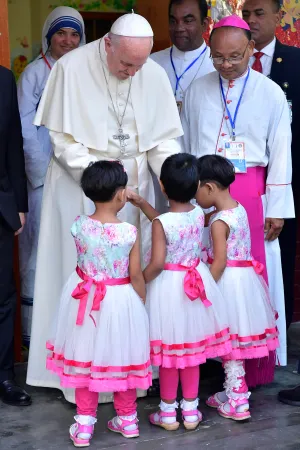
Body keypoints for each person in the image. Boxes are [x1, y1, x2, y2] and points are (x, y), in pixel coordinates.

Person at [26, 12, 182, 405]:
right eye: (126, 63)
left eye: (140, 64)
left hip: (136, 188)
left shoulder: (150, 74)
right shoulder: (71, 67)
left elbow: (161, 140)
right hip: (83, 188)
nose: (132, 72)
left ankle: (128, 376)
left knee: (130, 284)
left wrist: (173, 178)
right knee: (79, 283)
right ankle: (74, 377)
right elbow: (61, 140)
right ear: (107, 45)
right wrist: (103, 179)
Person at [181, 15, 293, 388]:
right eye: (217, 58)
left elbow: (280, 151)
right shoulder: (197, 89)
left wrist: (277, 207)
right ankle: (211, 356)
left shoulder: (270, 92)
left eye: (235, 57)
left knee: (247, 278)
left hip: (250, 193)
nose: (226, 65)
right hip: (201, 194)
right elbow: (186, 146)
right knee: (205, 271)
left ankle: (253, 365)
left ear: (250, 50)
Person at [47, 160, 150, 445]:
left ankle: (84, 427)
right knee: (122, 361)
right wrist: (140, 300)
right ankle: (128, 421)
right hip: (120, 301)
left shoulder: (79, 226)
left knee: (84, 362)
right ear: (121, 194)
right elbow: (135, 274)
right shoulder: (129, 232)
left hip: (86, 300)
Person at [128, 153, 231, 431]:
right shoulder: (199, 213)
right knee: (191, 354)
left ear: (162, 185)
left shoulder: (163, 223)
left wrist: (138, 281)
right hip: (195, 285)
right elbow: (167, 222)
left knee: (170, 357)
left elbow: (159, 261)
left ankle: (167, 414)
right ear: (196, 184)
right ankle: (190, 411)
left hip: (169, 290)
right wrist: (143, 204)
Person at [17, 6, 85, 349]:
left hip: (78, 182)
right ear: (48, 37)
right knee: (38, 256)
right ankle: (36, 344)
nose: (68, 41)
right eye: (61, 33)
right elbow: (26, 132)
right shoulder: (33, 74)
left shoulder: (87, 73)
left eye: (74, 34)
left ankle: (71, 340)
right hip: (43, 180)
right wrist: (41, 176)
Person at [196, 155, 279, 420]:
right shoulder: (238, 208)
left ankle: (238, 398)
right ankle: (232, 390)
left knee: (230, 344)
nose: (194, 196)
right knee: (236, 342)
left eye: (196, 189)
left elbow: (219, 261)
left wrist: (205, 287)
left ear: (209, 188)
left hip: (227, 282)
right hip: (245, 282)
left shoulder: (220, 222)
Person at [242, 0, 300, 332]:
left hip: (289, 179)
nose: (252, 20)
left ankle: (278, 333)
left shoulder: (294, 61)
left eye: (259, 13)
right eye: (246, 14)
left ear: (279, 16)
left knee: (284, 255)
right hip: (242, 184)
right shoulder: (227, 63)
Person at [0, 66, 31, 406]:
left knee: (3, 294)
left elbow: (12, 142)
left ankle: (4, 376)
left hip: (1, 202)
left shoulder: (4, 79)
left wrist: (19, 202)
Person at [151, 0, 214, 116]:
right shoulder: (151, 63)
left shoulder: (217, 65)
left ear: (204, 25)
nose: (179, 28)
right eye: (173, 21)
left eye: (188, 21)